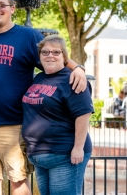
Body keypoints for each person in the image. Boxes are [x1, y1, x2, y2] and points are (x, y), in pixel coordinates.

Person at [0, 0, 87, 195]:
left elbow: (53, 59)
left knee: (18, 180)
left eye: (1, 5)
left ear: (12, 8)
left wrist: (77, 69)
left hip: (14, 122)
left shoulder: (28, 36)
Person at [22, 35, 93, 195]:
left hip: (64, 155)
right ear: (39, 56)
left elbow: (83, 114)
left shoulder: (73, 79)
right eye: (45, 52)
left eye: (56, 52)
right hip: (40, 155)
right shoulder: (39, 78)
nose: (50, 55)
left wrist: (78, 148)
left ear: (64, 56)